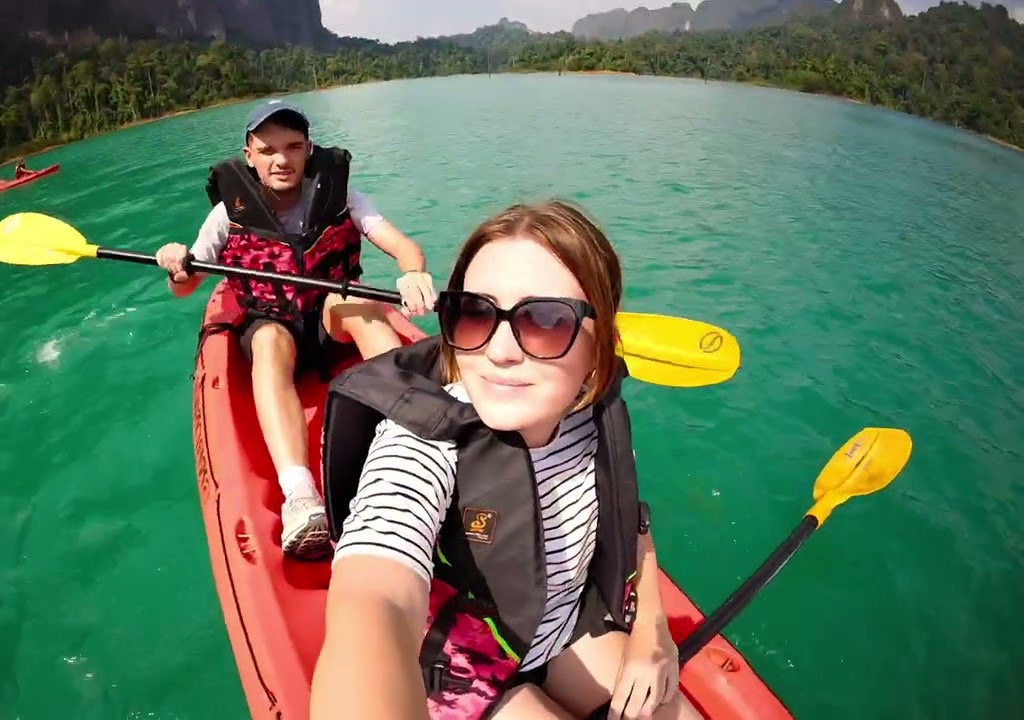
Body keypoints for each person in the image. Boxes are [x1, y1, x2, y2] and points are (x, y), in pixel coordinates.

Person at [311, 200, 702, 720]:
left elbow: (634, 524)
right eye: (475, 313)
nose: (498, 351)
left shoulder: (593, 416)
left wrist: (653, 633)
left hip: (563, 634)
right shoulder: (423, 443)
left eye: (545, 320)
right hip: (462, 661)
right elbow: (374, 601)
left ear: (600, 341)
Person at [155, 99, 437, 561]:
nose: (281, 160)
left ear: (309, 149)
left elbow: (403, 247)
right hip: (273, 323)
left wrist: (413, 273)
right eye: (267, 150)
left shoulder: (340, 195)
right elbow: (186, 286)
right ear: (249, 155)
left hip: (328, 322)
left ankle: (416, 437)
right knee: (266, 342)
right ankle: (301, 496)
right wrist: (175, 264)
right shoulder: (228, 213)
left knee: (357, 300)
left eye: (293, 147)